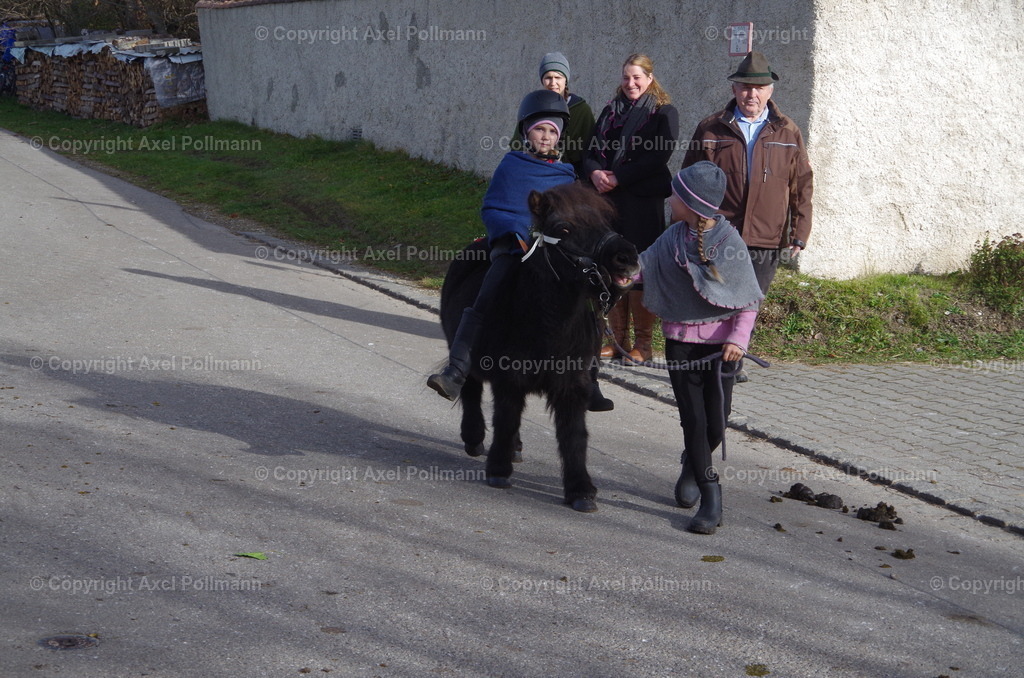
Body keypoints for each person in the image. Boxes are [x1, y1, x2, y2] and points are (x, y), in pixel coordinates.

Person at [638, 162, 763, 534]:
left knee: (717, 423)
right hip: (680, 346)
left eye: (676, 195)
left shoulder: (729, 243)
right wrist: (618, 270)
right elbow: (644, 266)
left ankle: (693, 464)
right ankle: (711, 495)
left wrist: (738, 339)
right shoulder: (673, 237)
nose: (669, 199)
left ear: (693, 204)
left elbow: (748, 299)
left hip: (722, 351)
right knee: (693, 420)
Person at [427, 90, 576, 401]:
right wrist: (516, 232)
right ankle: (456, 370)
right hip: (512, 248)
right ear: (526, 131)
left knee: (584, 299)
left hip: (553, 256)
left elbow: (574, 220)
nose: (546, 137)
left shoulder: (567, 174)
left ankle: (587, 377)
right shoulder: (511, 166)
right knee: (486, 295)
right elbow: (492, 208)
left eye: (552, 131)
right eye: (539, 129)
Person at [681, 51, 812, 381]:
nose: (751, 94)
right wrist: (685, 227)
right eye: (744, 87)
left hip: (766, 234)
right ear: (734, 89)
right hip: (719, 232)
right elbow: (689, 181)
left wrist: (800, 231)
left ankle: (731, 362)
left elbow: (801, 184)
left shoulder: (787, 131)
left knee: (749, 301)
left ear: (770, 91)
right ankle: (712, 360)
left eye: (759, 88)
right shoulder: (711, 129)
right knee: (716, 297)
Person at [583, 53, 678, 363]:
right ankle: (618, 340)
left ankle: (643, 345)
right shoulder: (610, 111)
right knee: (612, 268)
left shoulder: (663, 113)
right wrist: (595, 173)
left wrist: (619, 177)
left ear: (650, 78)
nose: (630, 83)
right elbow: (590, 150)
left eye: (637, 77)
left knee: (639, 270)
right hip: (610, 203)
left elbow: (658, 157)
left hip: (642, 204)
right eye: (626, 77)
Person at [510, 52, 596, 180]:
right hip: (533, 172)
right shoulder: (533, 106)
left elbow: (590, 150)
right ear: (542, 80)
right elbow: (517, 145)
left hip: (570, 176)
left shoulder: (581, 110)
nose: (553, 82)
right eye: (548, 77)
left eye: (558, 77)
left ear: (565, 80)